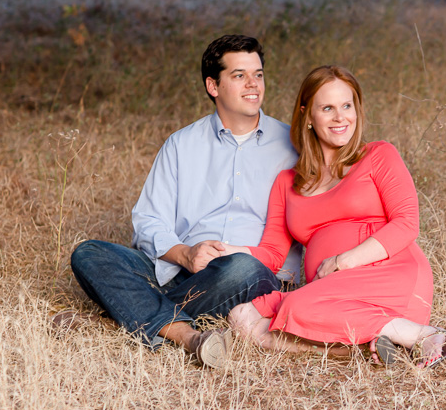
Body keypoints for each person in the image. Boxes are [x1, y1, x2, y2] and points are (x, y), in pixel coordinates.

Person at [67, 35, 302, 368]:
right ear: (213, 85)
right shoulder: (182, 144)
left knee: (242, 267)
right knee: (90, 253)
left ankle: (131, 312)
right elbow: (148, 220)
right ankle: (183, 333)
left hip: (249, 273)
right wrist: (186, 255)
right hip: (183, 271)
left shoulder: (293, 146)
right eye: (239, 75)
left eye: (258, 74)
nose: (254, 84)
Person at [225, 66, 446, 368]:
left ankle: (421, 334)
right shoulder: (287, 182)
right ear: (307, 115)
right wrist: (226, 251)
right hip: (327, 294)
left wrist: (344, 261)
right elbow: (273, 253)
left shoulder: (379, 155)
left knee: (298, 307)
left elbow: (407, 223)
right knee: (241, 318)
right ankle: (366, 345)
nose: (340, 117)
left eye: (347, 106)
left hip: (388, 273)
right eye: (327, 108)